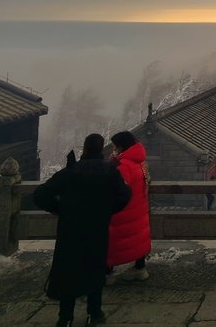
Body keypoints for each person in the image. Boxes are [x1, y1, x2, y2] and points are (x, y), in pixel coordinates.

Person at [34, 134, 131, 327]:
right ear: (101, 148)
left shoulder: (69, 172)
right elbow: (125, 195)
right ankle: (94, 313)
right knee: (96, 269)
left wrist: (59, 208)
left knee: (69, 270)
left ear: (84, 149)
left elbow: (40, 195)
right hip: (96, 228)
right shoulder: (109, 171)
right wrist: (107, 210)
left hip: (70, 229)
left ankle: (65, 317)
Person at [106, 131, 152, 284]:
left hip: (123, 211)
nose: (114, 149)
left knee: (112, 242)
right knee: (138, 238)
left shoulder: (123, 165)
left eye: (115, 146)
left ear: (121, 146)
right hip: (139, 207)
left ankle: (107, 273)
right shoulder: (141, 161)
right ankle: (140, 269)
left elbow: (116, 189)